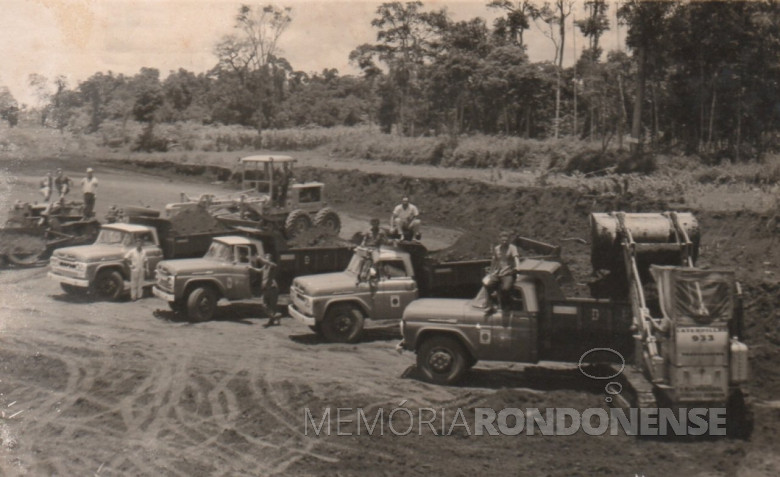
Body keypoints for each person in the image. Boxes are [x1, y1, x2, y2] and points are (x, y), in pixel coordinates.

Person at [484, 231, 522, 316]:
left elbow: (516, 258)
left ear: (508, 240)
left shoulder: (512, 248)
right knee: (488, 284)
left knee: (506, 288)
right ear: (499, 240)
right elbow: (494, 261)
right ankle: (491, 304)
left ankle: (506, 305)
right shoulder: (496, 249)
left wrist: (518, 268)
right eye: (502, 240)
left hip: (508, 273)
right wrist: (491, 273)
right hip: (498, 272)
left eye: (506, 240)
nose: (504, 242)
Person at [251, 253, 280, 327]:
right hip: (265, 288)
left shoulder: (272, 265)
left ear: (270, 259)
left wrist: (260, 258)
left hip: (272, 288)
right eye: (266, 258)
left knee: (272, 306)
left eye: (268, 258)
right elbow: (259, 270)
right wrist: (251, 268)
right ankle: (275, 317)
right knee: (264, 305)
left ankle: (272, 320)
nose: (267, 260)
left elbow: (268, 263)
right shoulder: (265, 267)